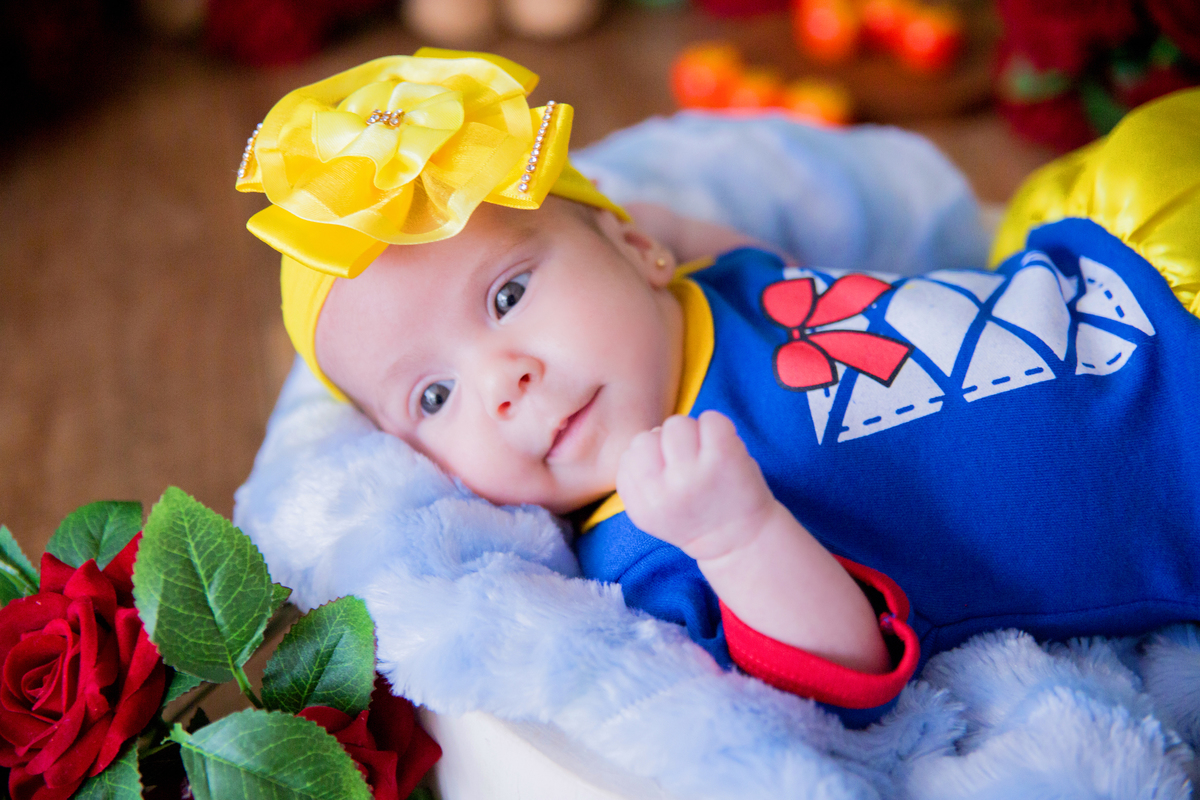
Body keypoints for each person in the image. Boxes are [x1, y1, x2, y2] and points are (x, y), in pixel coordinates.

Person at [237, 48, 1200, 724]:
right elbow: (843, 671)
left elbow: (762, 270)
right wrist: (738, 535)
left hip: (1112, 269)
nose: (503, 380)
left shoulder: (709, 288)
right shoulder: (650, 538)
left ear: (639, 246)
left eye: (509, 293)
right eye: (433, 398)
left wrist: (663, 237)